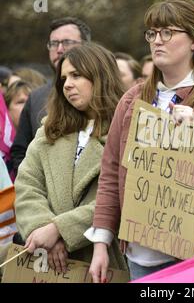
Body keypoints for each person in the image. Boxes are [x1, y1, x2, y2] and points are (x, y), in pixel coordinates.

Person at [86, 0, 194, 282]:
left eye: (168, 32)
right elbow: (112, 171)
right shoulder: (133, 99)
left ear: (193, 41)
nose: (157, 41)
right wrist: (101, 243)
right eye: (152, 33)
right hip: (140, 256)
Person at [14, 42, 127, 273]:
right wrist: (44, 229)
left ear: (100, 76)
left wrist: (60, 229)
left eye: (76, 75)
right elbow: (27, 186)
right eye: (63, 78)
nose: (68, 85)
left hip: (102, 258)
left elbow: (123, 197)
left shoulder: (127, 130)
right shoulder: (49, 130)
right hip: (45, 263)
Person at [11, 17, 91, 175]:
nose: (59, 49)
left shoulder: (99, 94)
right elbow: (20, 151)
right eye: (54, 43)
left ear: (86, 46)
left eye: (67, 42)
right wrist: (35, 186)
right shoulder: (36, 97)